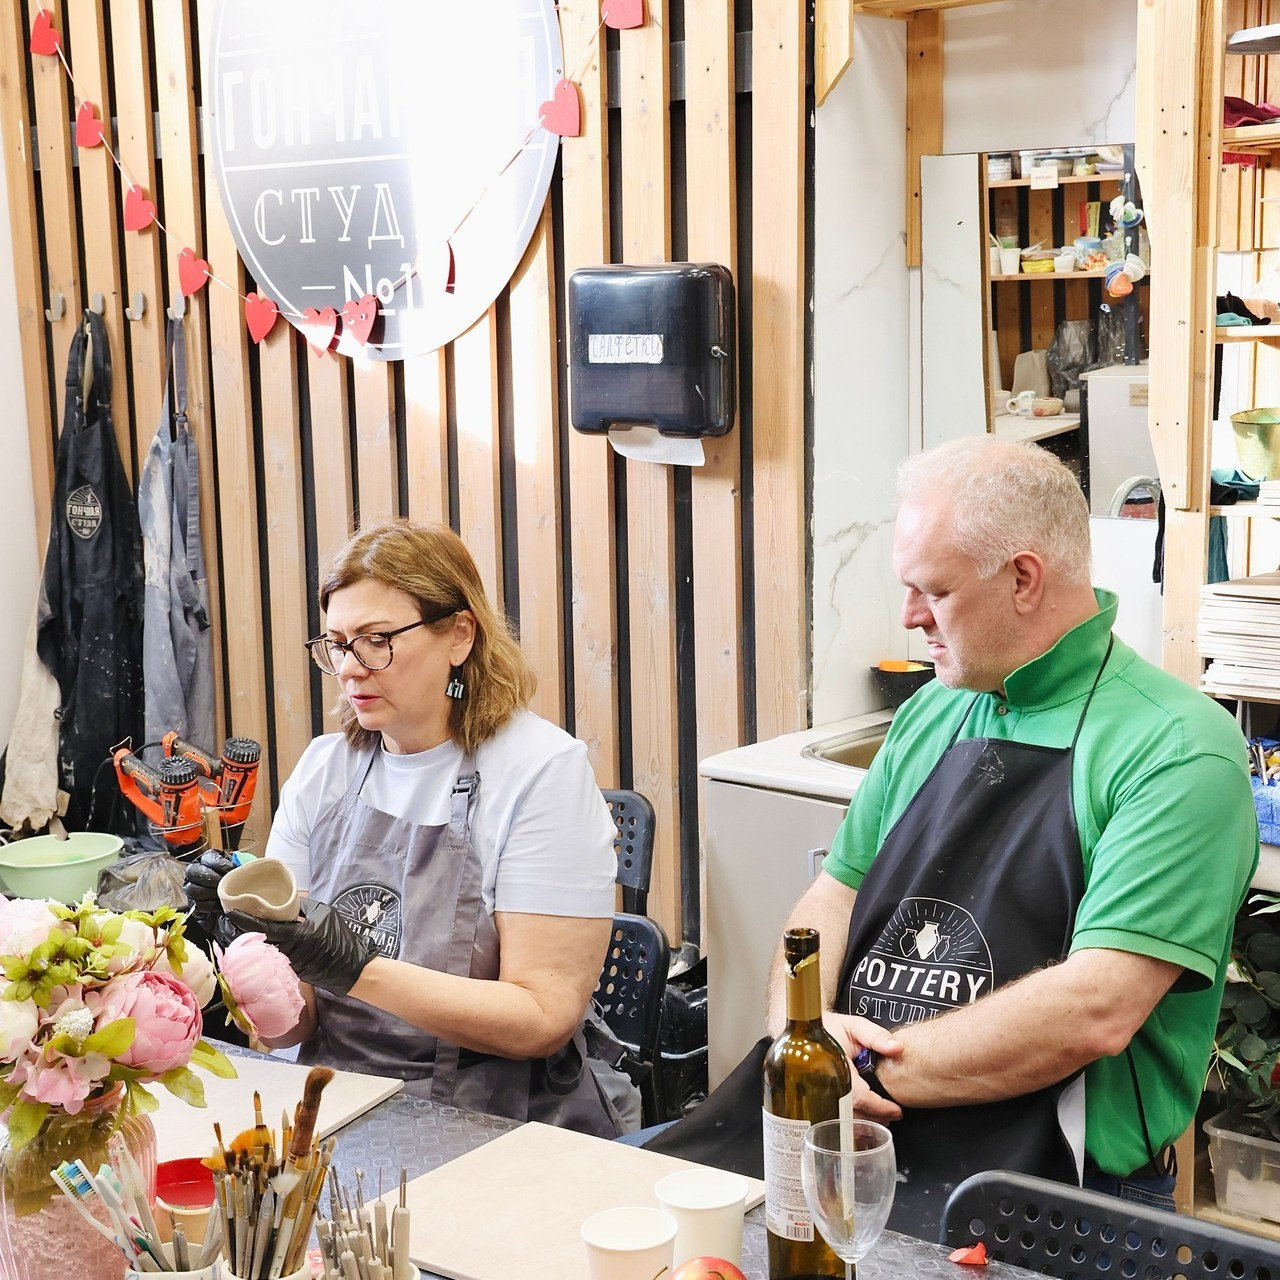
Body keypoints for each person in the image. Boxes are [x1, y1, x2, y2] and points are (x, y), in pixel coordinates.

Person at [647, 435, 1257, 1233]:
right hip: (839, 1130)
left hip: (1037, 1188)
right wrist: (799, 1030)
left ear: (1024, 579)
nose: (908, 617)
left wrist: (855, 1069)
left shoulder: (1178, 749)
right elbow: (828, 898)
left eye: (931, 590)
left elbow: (1093, 1010)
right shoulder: (932, 711)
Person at [185, 519, 639, 1136]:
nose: (350, 668)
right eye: (337, 643)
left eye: (376, 640)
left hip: (503, 1113)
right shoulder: (326, 769)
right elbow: (297, 1025)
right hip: (338, 1099)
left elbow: (542, 1016)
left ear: (458, 635)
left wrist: (354, 967)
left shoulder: (538, 772)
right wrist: (234, 954)